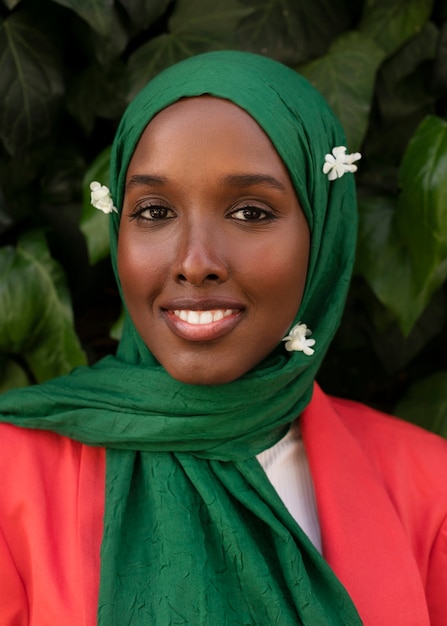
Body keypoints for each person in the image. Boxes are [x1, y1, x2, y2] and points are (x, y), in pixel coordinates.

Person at [0, 50, 446, 626]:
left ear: (324, 234)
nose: (194, 262)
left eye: (252, 213)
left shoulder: (429, 492)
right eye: (155, 210)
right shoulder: (11, 478)